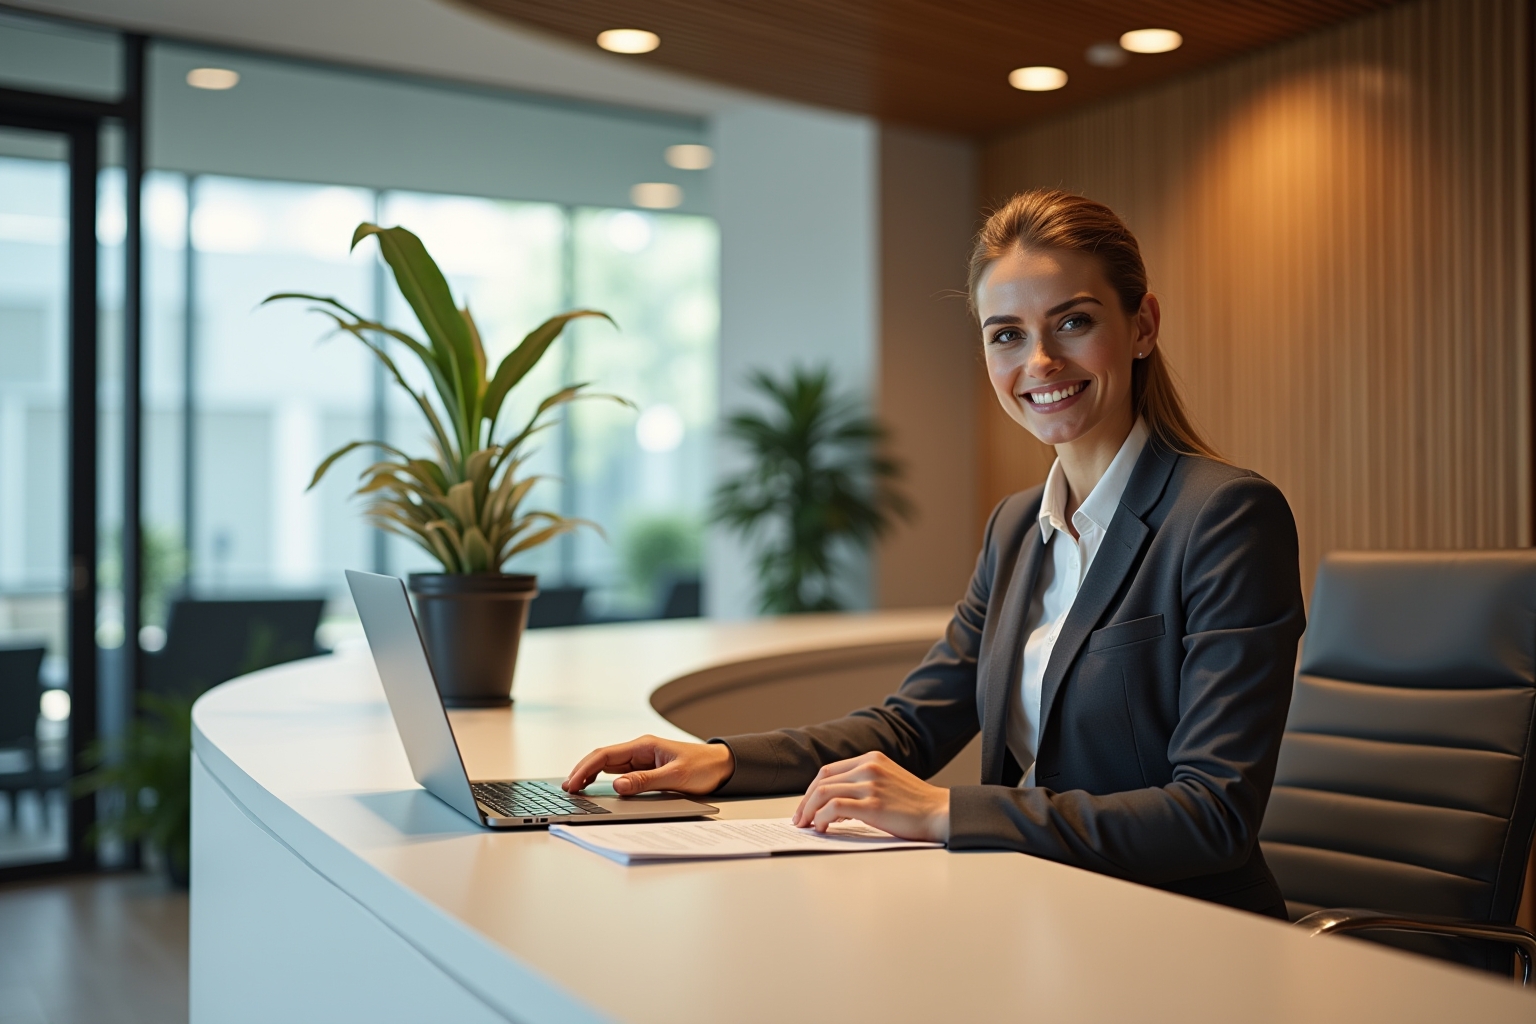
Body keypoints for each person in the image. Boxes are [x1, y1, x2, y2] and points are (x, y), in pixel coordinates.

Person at [563, 189, 1305, 916]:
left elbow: (1213, 815)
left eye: (1073, 322)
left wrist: (950, 812)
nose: (1040, 361)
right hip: (1041, 913)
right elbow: (910, 727)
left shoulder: (1225, 518)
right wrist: (722, 762)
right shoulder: (1018, 527)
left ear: (1142, 325)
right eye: (1006, 334)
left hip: (1181, 931)